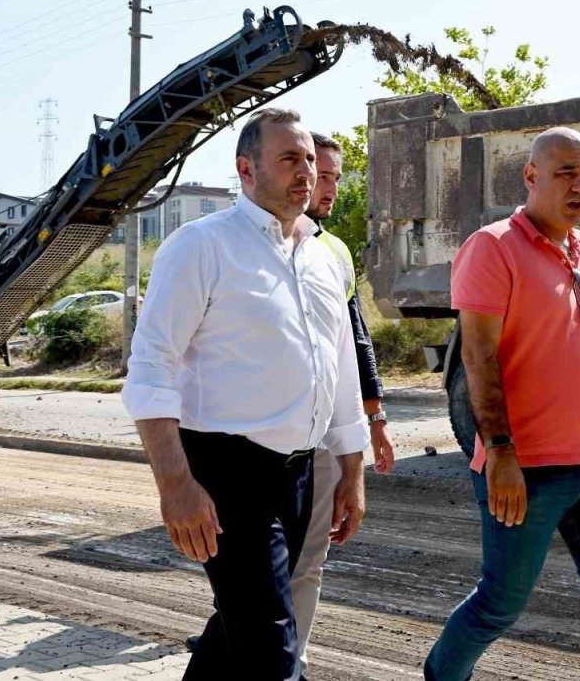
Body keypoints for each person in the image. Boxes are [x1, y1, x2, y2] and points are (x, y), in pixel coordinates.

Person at [121, 109, 369, 681]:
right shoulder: (202, 246)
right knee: (271, 653)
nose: (306, 172)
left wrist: (350, 471)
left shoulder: (322, 256)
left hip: (302, 473)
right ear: (245, 169)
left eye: (310, 160)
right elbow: (150, 369)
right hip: (226, 472)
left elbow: (341, 372)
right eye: (289, 159)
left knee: (236, 634)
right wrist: (176, 485)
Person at [424, 126, 580, 681]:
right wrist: (499, 452)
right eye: (566, 172)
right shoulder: (493, 246)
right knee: (500, 604)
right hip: (529, 468)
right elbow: (479, 357)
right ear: (531, 176)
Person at [291, 131, 395, 674]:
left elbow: (356, 344)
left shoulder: (334, 250)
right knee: (257, 573)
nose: (327, 187)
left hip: (325, 437)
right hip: (258, 446)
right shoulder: (239, 246)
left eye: (333, 177)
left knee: (307, 565)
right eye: (320, 175)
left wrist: (373, 421)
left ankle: (294, 660)